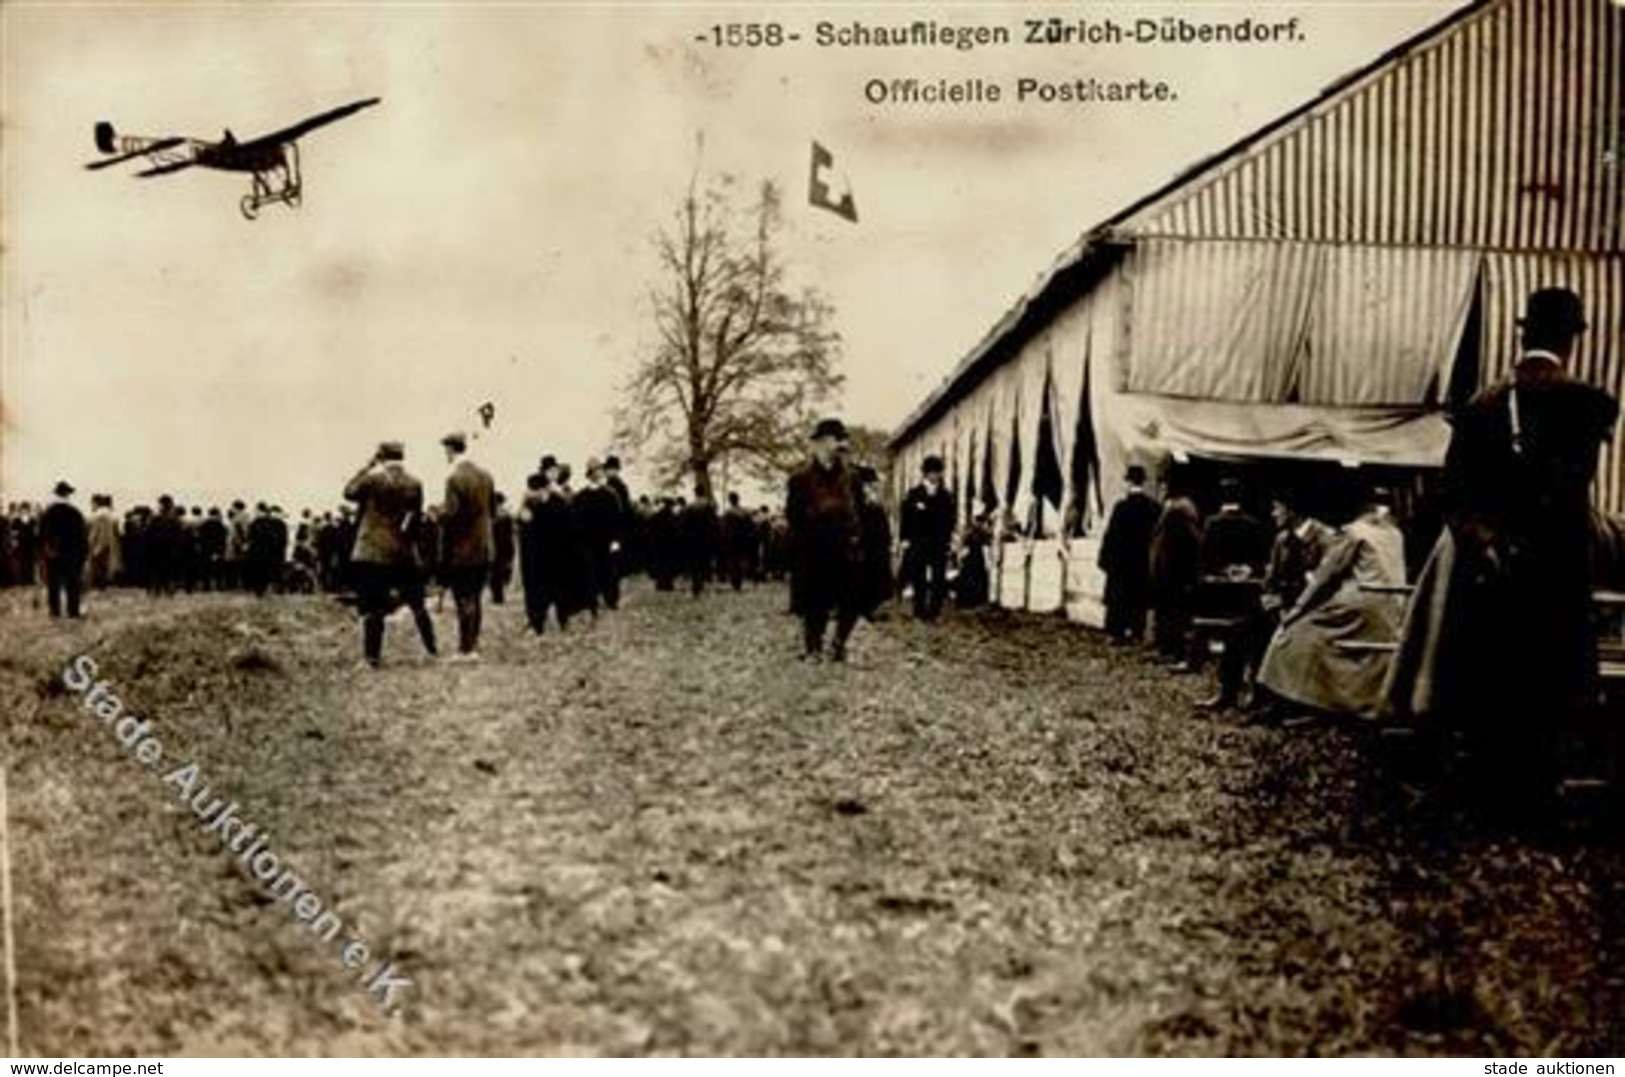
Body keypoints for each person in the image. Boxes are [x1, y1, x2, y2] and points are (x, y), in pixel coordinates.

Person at [1396, 287, 1618, 810]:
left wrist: (1486, 543)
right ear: (1572, 340)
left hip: (1492, 566)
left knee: (1488, 668)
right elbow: (1571, 486)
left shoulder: (1483, 404)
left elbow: (1452, 491)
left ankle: (1481, 783)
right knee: (1549, 673)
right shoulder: (1590, 403)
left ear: (1523, 333)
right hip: (1557, 566)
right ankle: (1537, 789)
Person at [1257, 488, 1408, 718]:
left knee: (1295, 633)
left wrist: (1296, 612)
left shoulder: (1353, 532)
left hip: (1359, 605)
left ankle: (1302, 701)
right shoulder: (1395, 534)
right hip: (1393, 607)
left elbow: (1324, 578)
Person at [343, 441, 438, 667]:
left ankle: (371, 658)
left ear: (380, 455)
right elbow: (415, 518)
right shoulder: (415, 482)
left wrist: (366, 466)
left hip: (373, 551)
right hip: (403, 551)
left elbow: (348, 492)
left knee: (373, 606)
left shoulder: (372, 479)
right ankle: (432, 651)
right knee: (418, 605)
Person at [786, 418, 865, 661]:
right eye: (834, 439)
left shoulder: (852, 477)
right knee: (814, 601)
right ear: (819, 443)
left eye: (841, 439)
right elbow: (793, 515)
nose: (840, 444)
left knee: (852, 598)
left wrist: (855, 536)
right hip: (814, 547)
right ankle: (813, 647)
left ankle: (839, 643)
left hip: (845, 546)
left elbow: (860, 511)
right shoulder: (800, 478)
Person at [1194, 478, 1271, 710]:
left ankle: (1227, 692)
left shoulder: (1212, 523)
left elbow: (1205, 557)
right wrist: (1247, 569)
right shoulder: (1253, 524)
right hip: (1248, 591)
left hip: (1221, 592)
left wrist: (1224, 570)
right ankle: (1252, 694)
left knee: (1230, 642)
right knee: (1250, 643)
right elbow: (1262, 557)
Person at [438, 431, 496, 659]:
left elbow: (452, 516)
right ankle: (474, 644)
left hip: (462, 549)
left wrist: (439, 516)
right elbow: (492, 511)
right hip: (484, 547)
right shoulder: (487, 476)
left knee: (463, 598)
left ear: (451, 450)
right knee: (476, 598)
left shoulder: (454, 479)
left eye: (446, 450)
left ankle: (466, 649)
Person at [1097, 465, 1161, 643]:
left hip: (1121, 562)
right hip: (1141, 561)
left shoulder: (1121, 508)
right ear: (1143, 482)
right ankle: (1136, 632)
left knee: (1119, 599)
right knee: (1138, 599)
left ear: (1128, 482)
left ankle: (1117, 632)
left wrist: (1105, 559)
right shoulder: (1154, 508)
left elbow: (1111, 536)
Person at [1149, 477, 1202, 667]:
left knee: (1172, 614)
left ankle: (1172, 650)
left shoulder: (1177, 512)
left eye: (1163, 487)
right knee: (1169, 613)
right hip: (1170, 572)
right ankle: (1168, 648)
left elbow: (1179, 546)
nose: (1160, 490)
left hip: (1172, 573)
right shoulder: (1178, 510)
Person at [899, 455, 956, 620]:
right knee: (919, 577)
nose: (934, 476)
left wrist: (949, 538)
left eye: (937, 472)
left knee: (939, 578)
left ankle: (934, 611)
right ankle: (919, 610)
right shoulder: (913, 494)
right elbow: (906, 517)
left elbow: (950, 519)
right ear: (924, 473)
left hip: (938, 543)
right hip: (918, 542)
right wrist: (905, 539)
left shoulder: (946, 496)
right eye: (931, 472)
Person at [573, 459, 624, 610]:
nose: (598, 474)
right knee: (590, 571)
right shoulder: (580, 497)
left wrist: (616, 539)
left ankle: (611, 599)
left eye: (600, 471)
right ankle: (592, 600)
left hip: (607, 540)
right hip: (588, 541)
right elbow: (576, 521)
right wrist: (580, 541)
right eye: (594, 471)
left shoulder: (610, 494)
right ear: (589, 475)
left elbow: (617, 519)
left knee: (610, 570)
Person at [38, 481, 89, 618]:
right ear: (68, 495)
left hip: (53, 554)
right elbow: (82, 537)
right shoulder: (75, 513)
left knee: (53, 584)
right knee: (73, 584)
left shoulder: (48, 513)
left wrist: (44, 552)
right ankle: (73, 611)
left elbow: (42, 535)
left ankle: (55, 611)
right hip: (72, 555)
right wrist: (84, 555)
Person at [854, 465, 894, 620]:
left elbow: (882, 523)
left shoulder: (875, 503)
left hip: (877, 545)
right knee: (862, 575)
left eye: (872, 484)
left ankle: (873, 606)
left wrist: (887, 542)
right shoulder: (855, 502)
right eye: (869, 484)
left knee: (876, 576)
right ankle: (862, 607)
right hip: (862, 544)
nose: (872, 487)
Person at [680, 486, 720, 597]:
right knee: (705, 560)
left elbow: (685, 525)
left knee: (694, 561)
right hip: (706, 537)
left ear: (695, 493)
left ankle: (696, 584)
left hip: (693, 538)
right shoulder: (709, 506)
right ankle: (703, 581)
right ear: (704, 493)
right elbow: (714, 524)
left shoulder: (690, 507)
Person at [720, 492, 757, 591]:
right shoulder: (745, 512)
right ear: (738, 499)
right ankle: (739, 578)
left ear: (730, 500)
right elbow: (751, 527)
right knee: (741, 559)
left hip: (731, 540)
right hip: (742, 539)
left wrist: (723, 539)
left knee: (732, 561)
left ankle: (735, 581)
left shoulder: (727, 513)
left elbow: (724, 529)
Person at [86, 495, 122, 590]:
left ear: (96, 503)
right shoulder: (111, 515)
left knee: (96, 564)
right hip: (109, 543)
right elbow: (117, 532)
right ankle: (103, 583)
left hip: (97, 542)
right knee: (105, 565)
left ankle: (96, 584)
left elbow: (92, 530)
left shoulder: (95, 515)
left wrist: (89, 542)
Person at [490, 493, 516, 605]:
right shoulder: (505, 516)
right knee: (496, 573)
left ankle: (498, 596)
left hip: (498, 547)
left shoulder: (496, 517)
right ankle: (497, 596)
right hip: (501, 547)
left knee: (496, 574)